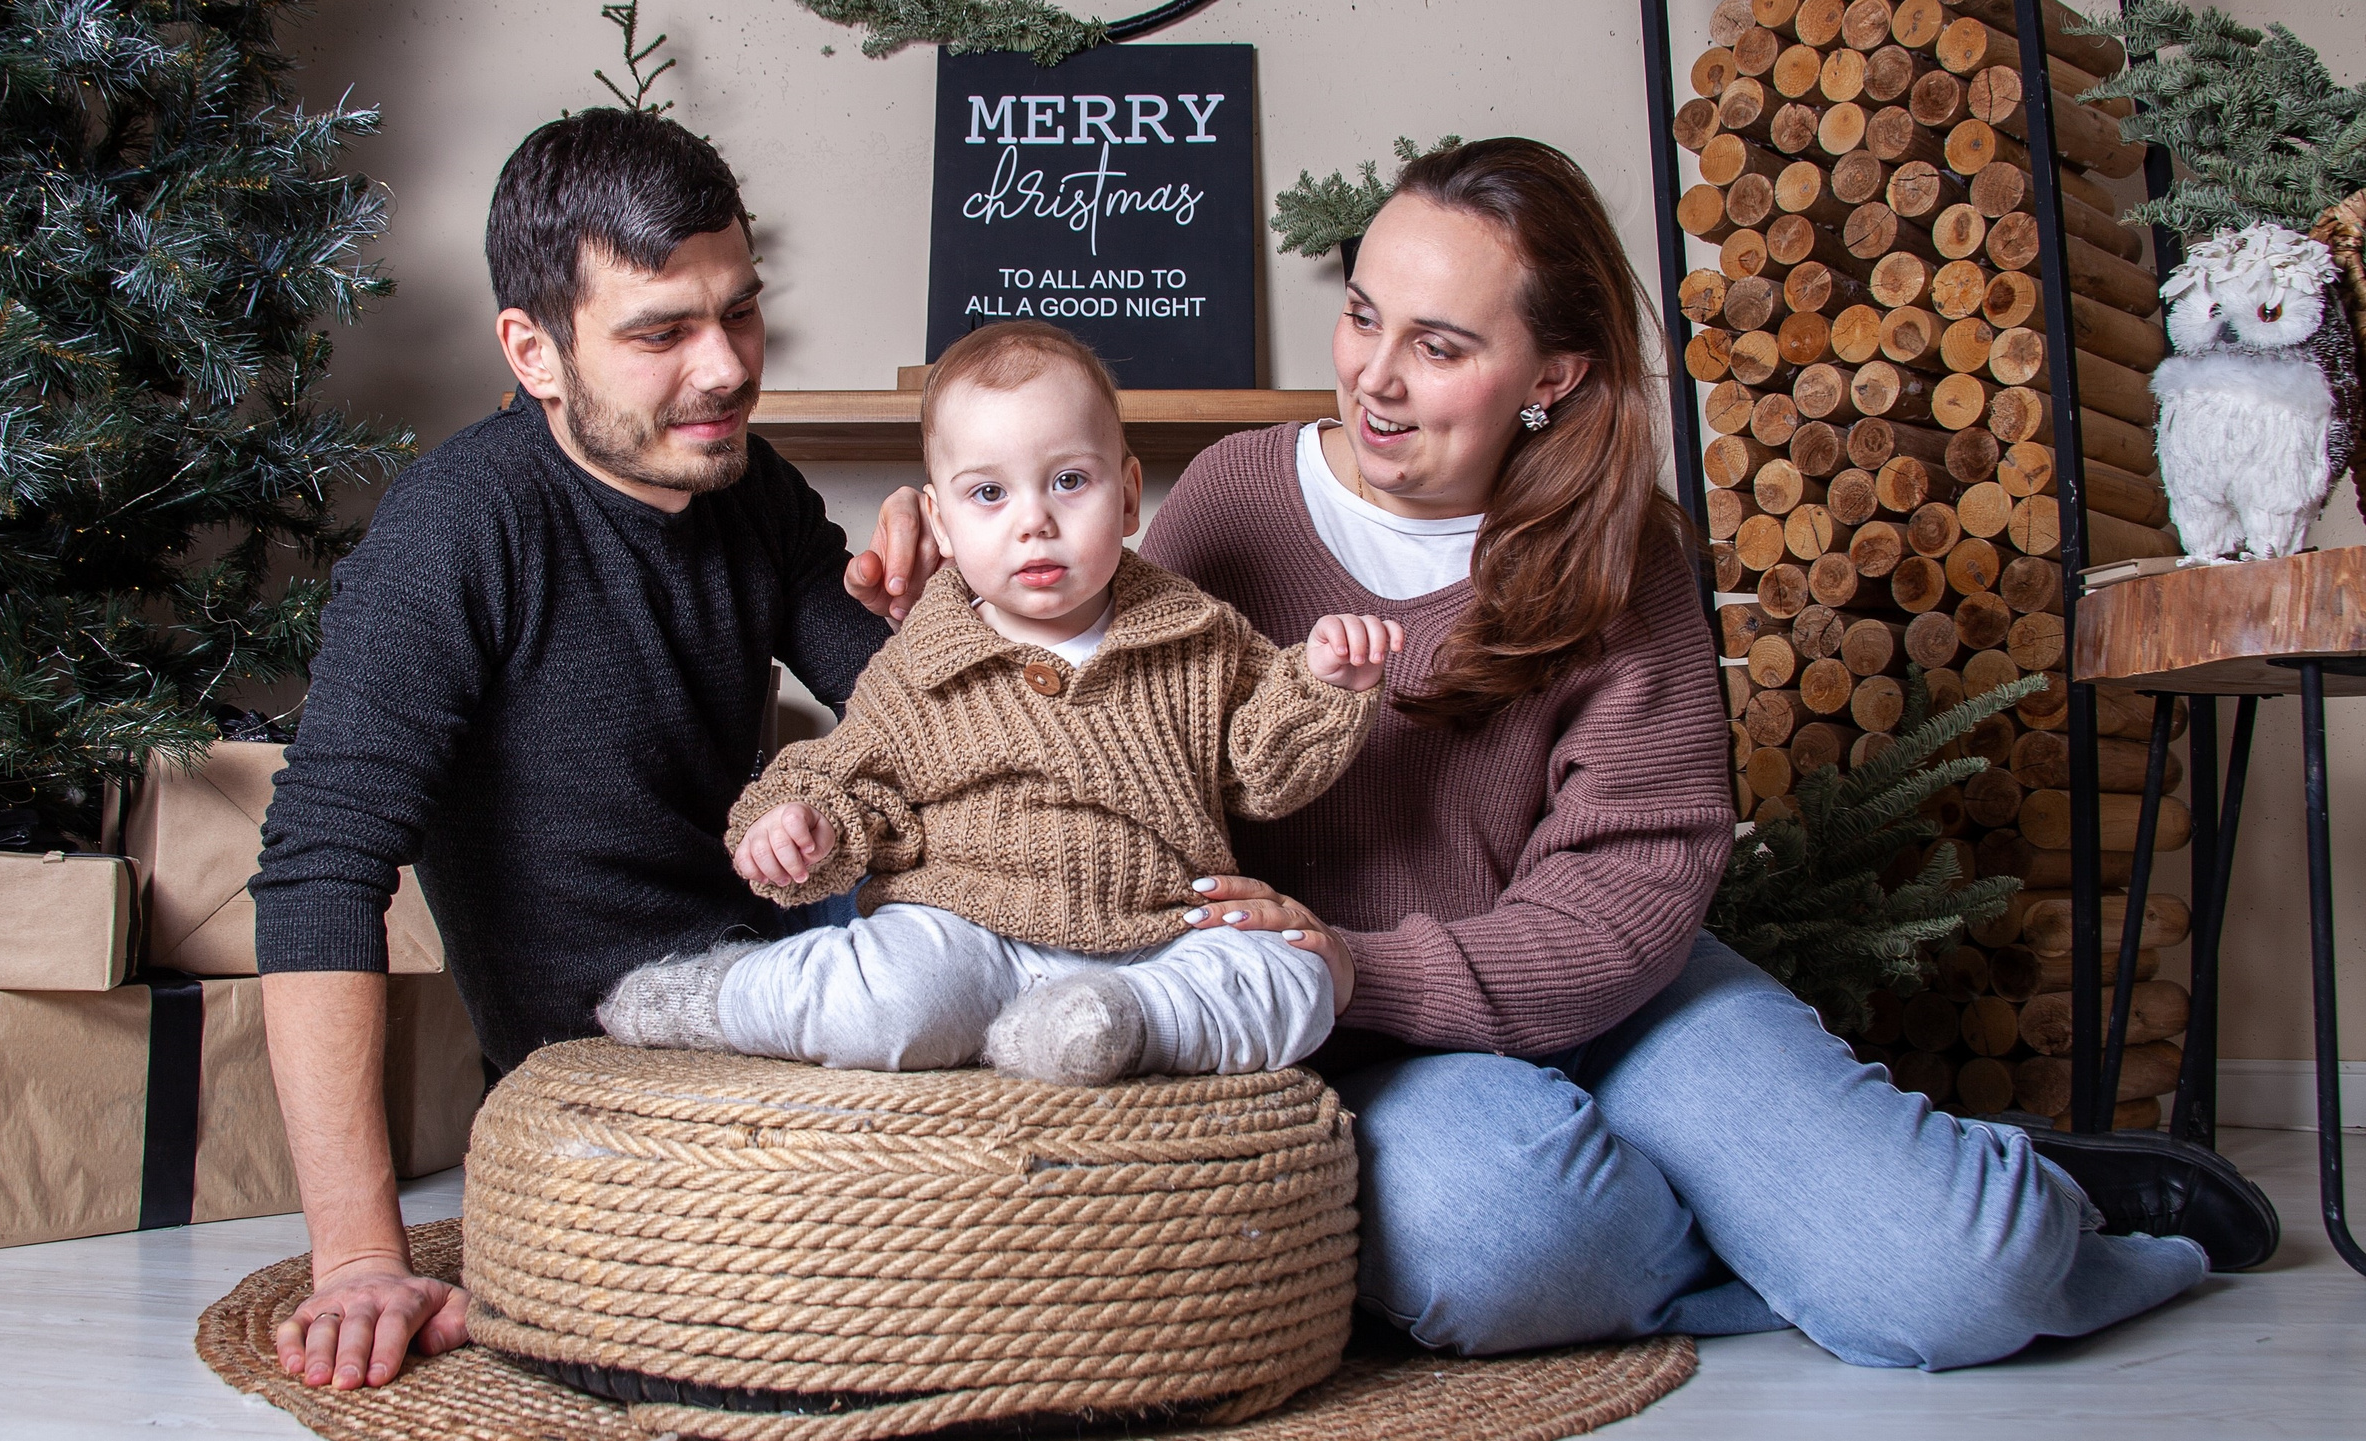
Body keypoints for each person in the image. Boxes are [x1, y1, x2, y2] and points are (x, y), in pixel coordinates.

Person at [862, 138, 2273, 1370]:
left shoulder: (1620, 546)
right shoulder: (1233, 497)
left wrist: (1372, 956)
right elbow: (1085, 701)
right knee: (1497, 1249)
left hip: (1611, 993)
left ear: (1555, 375)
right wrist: (951, 576)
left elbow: (1637, 886)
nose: (1377, 378)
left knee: (1959, 1279)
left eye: (1443, 344)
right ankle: (1778, 1223)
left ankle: (2058, 1212)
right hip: (1355, 1035)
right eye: (1365, 318)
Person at [247, 111, 933, 1393]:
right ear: (535, 351)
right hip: (609, 1064)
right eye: (661, 332)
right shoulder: (453, 534)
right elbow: (316, 875)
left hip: (796, 964)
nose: (725, 368)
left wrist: (969, 591)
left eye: (739, 312)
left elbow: (926, 725)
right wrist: (354, 1258)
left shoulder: (750, 487)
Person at [597, 321, 1398, 1085]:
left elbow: (1260, 775)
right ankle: (724, 997)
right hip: (963, 930)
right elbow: (851, 773)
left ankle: (1120, 1022)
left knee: (1298, 975)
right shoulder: (926, 661)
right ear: (941, 521)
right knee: (887, 1001)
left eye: (1070, 481)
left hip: (1159, 938)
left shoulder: (1196, 634)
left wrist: (1324, 686)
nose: (1034, 521)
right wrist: (802, 820)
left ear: (1127, 497)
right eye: (989, 493)